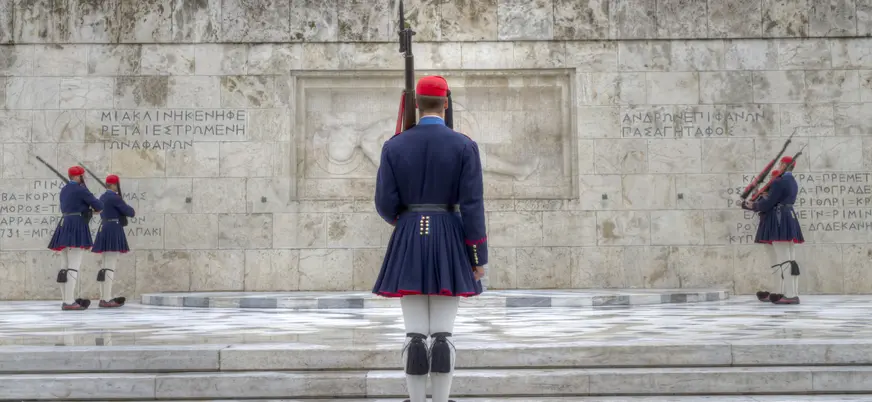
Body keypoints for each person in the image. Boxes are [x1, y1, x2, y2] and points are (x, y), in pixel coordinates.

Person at [372, 75, 488, 402]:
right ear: (446, 104)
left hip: (409, 234)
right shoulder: (464, 145)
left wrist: (407, 222)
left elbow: (384, 201)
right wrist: (478, 257)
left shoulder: (394, 145)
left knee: (414, 335)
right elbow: (473, 205)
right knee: (442, 336)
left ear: (416, 105)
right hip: (450, 235)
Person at [743, 156, 804, 305]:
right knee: (786, 258)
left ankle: (790, 295)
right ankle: (781, 291)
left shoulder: (780, 181)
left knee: (784, 259)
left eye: (780, 164)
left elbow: (768, 203)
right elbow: (775, 199)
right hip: (786, 217)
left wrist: (751, 205)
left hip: (778, 219)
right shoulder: (791, 181)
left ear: (784, 165)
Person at [48, 166, 103, 311]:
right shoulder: (81, 189)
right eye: (83, 176)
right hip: (76, 225)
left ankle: (65, 299)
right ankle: (69, 301)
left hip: (64, 224)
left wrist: (87, 209)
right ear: (78, 177)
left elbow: (73, 204)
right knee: (73, 266)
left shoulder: (64, 189)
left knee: (64, 265)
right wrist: (92, 209)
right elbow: (98, 205)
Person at [91, 174, 135, 308]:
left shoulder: (103, 197)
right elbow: (130, 212)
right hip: (113, 229)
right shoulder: (115, 198)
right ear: (114, 185)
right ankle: (106, 298)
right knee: (109, 266)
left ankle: (104, 296)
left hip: (104, 228)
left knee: (105, 265)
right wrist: (124, 203)